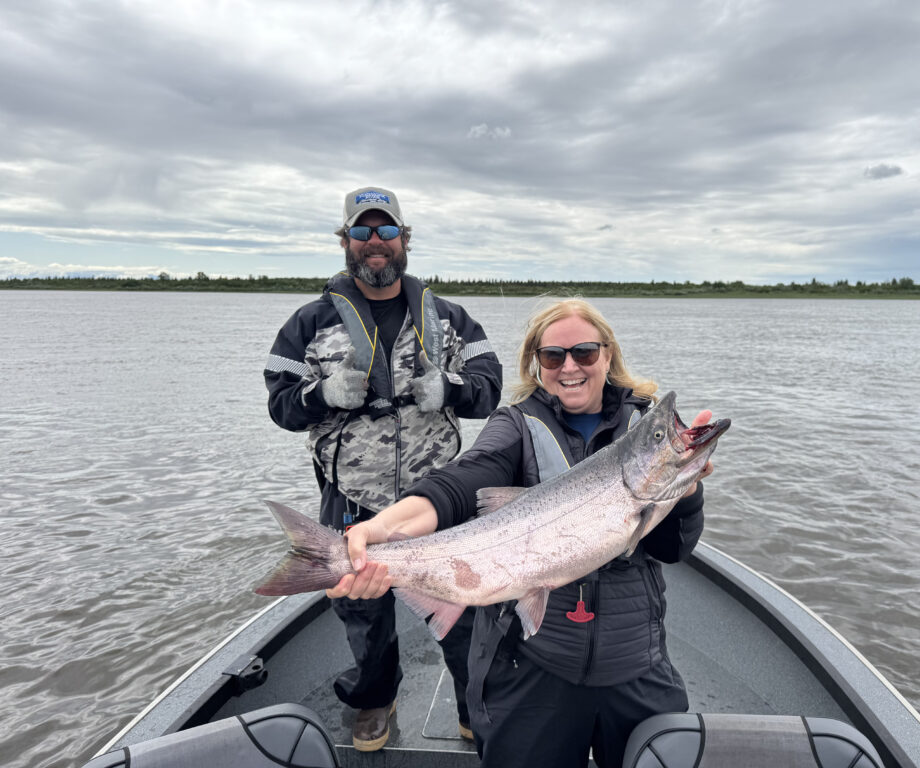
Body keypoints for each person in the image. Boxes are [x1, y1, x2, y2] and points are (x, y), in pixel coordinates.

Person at [330, 298, 715, 768]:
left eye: (585, 353)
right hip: (532, 660)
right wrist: (383, 528)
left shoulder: (642, 426)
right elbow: (462, 480)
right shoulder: (515, 424)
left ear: (608, 356)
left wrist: (686, 487)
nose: (569, 366)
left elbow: (673, 547)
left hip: (634, 659)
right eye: (553, 356)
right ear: (537, 364)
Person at [263, 186, 503, 752]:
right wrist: (321, 394)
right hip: (353, 497)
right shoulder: (307, 322)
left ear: (405, 241)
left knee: (463, 604)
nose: (376, 243)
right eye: (364, 232)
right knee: (362, 614)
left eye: (387, 231)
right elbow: (280, 405)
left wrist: (451, 386)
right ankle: (375, 698)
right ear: (346, 241)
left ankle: (474, 702)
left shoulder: (450, 319)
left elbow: (490, 389)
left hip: (438, 495)